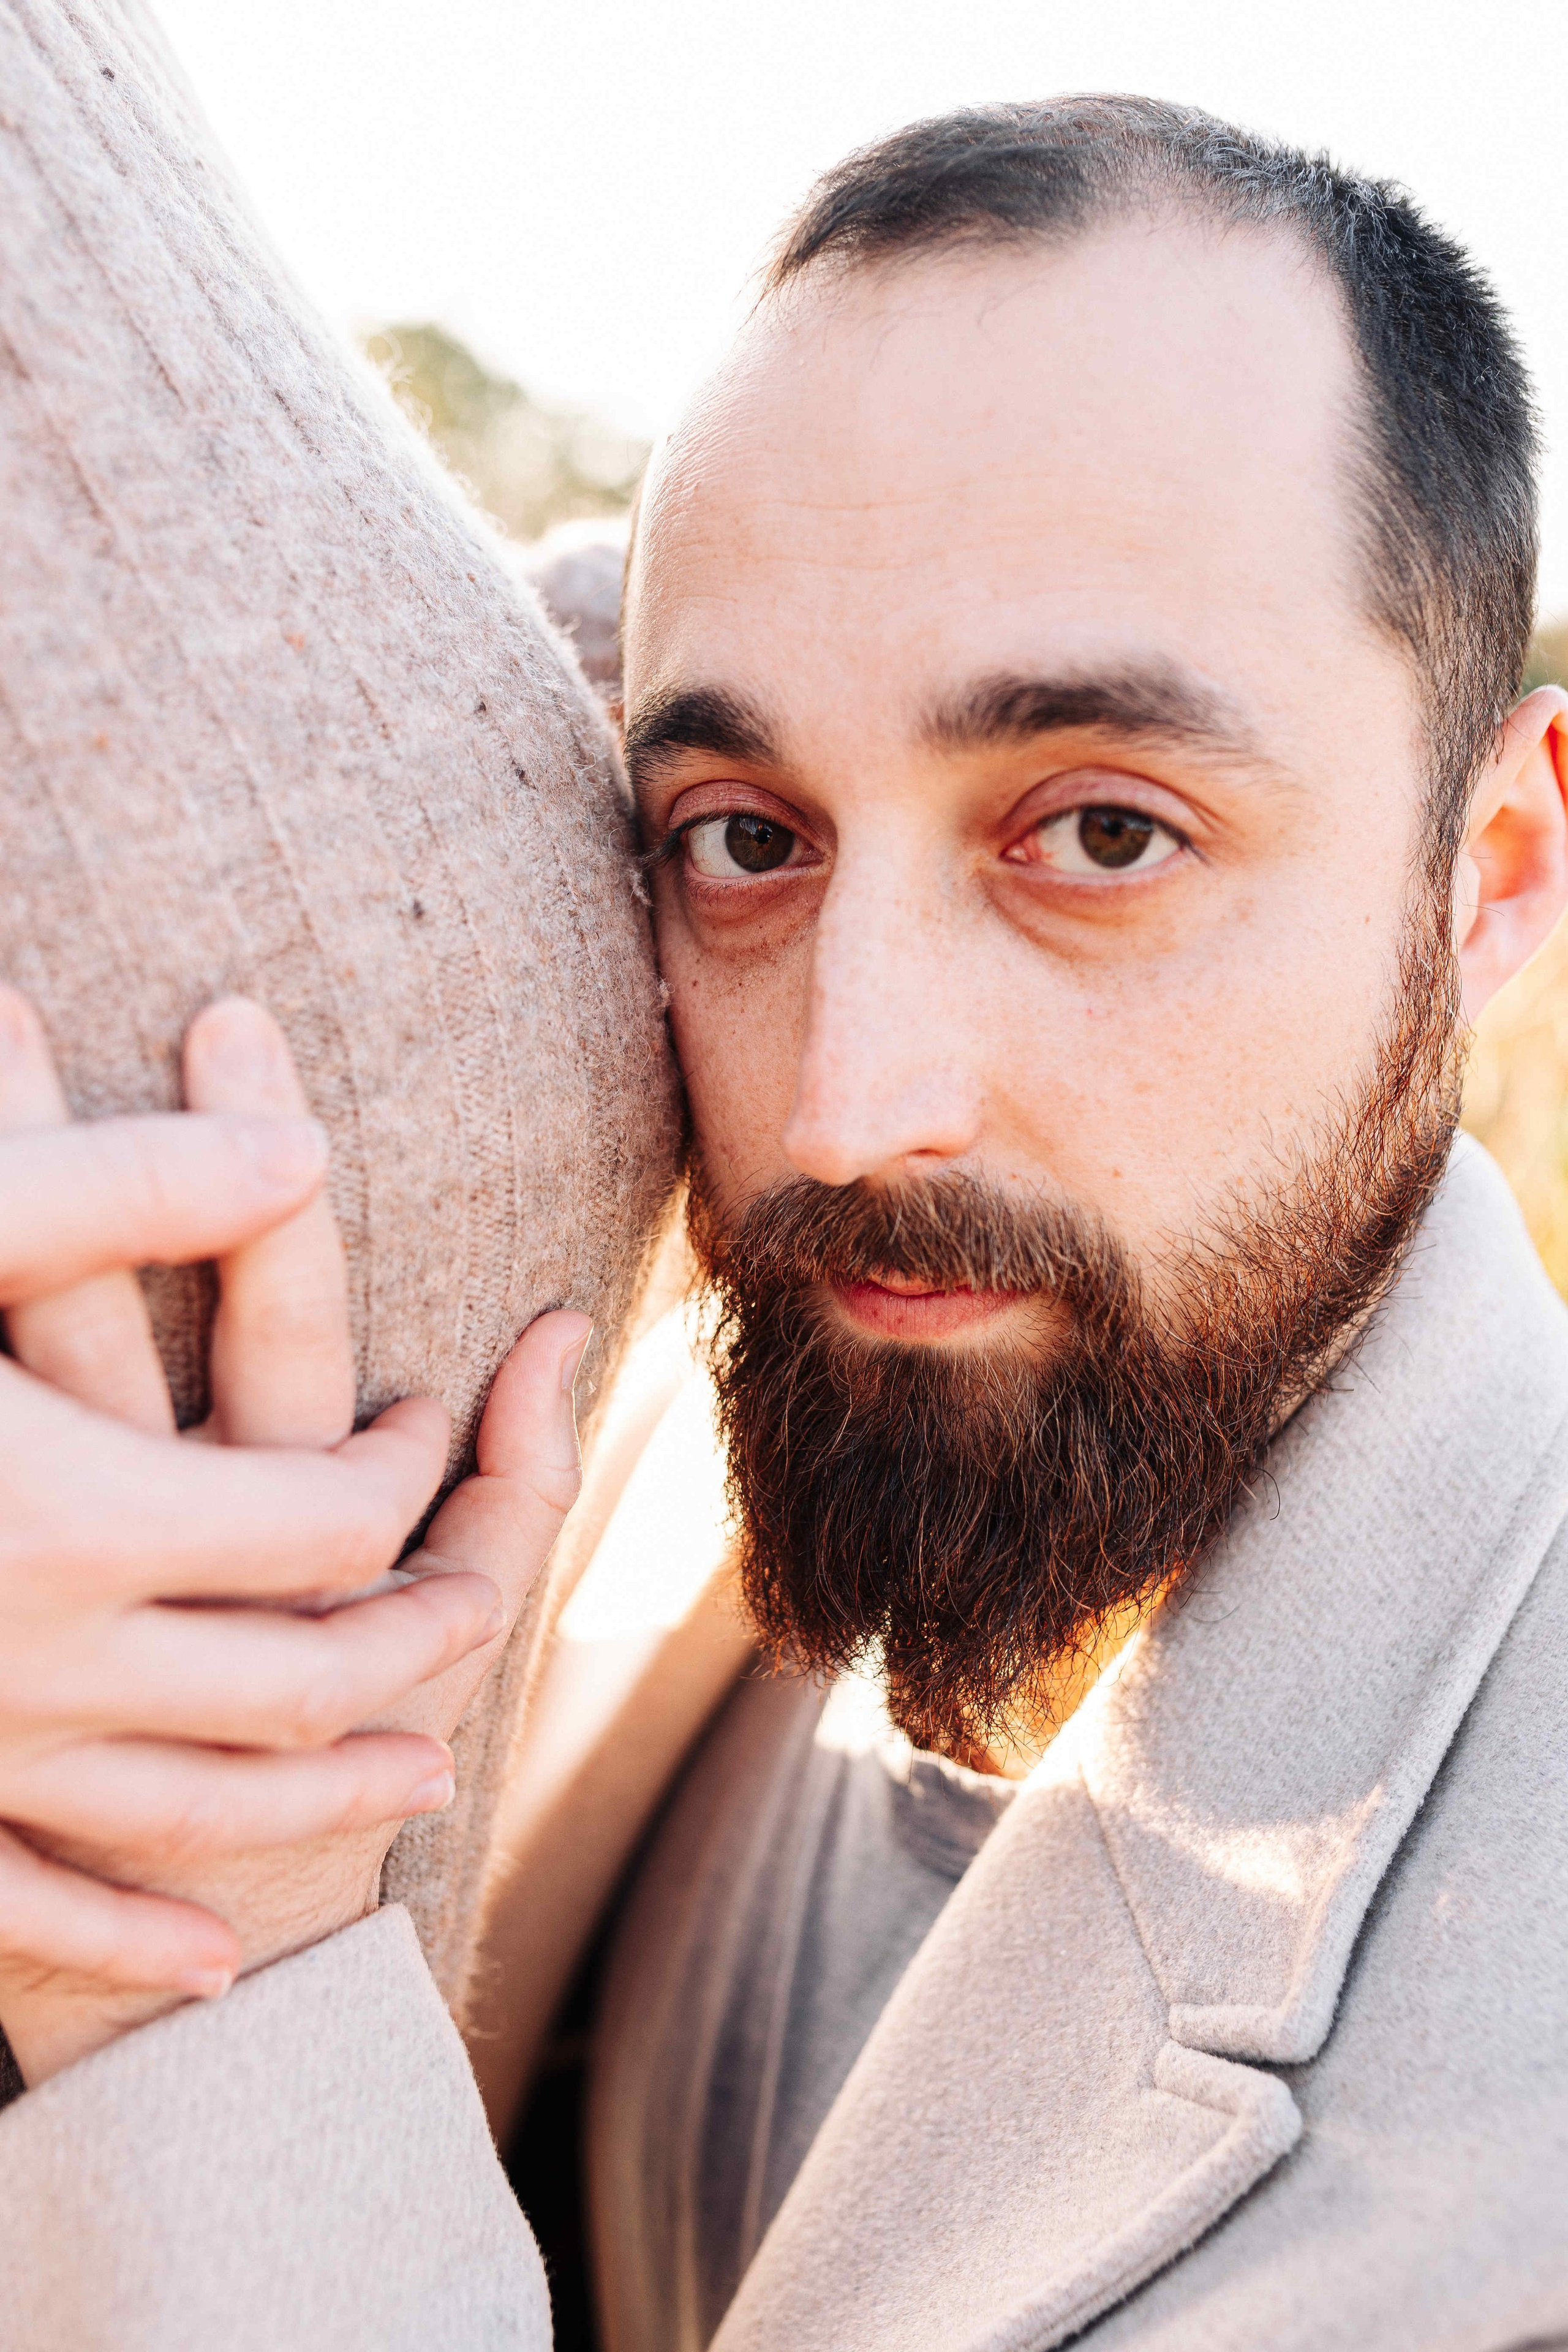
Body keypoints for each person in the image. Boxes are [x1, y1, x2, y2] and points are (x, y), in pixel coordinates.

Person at [2, 88, 1567, 2352]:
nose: (844, 1101)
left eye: (1102, 837)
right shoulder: (702, 1415)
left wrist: (195, 1995)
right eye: (751, 840)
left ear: (1488, 879)